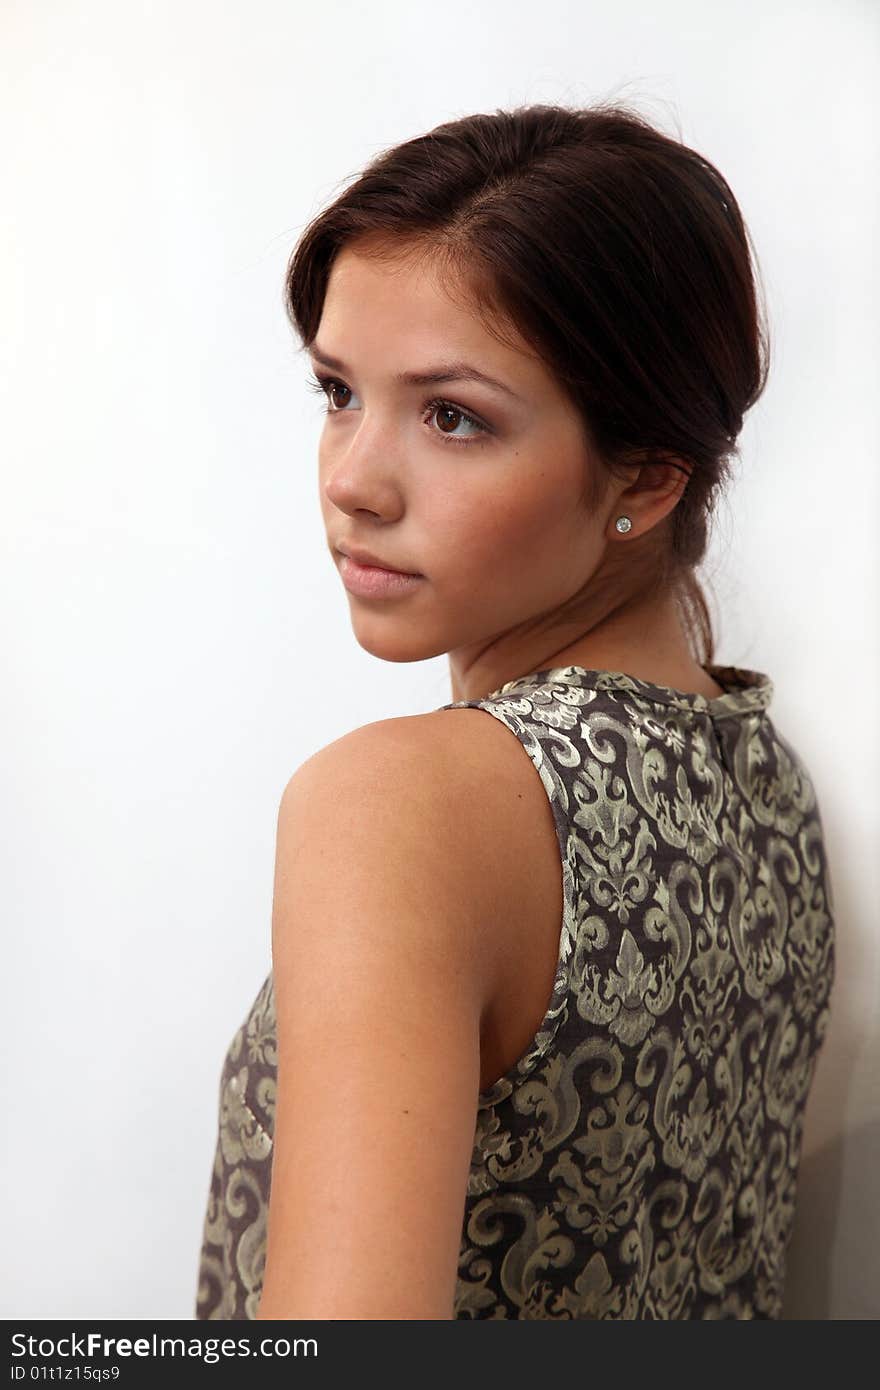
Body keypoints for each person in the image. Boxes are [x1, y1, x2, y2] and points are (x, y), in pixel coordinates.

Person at [194, 101, 835, 1320]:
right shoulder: (764, 784)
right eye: (338, 390)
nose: (351, 482)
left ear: (645, 473)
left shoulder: (398, 805)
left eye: (453, 416)